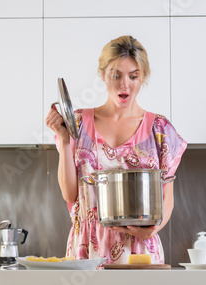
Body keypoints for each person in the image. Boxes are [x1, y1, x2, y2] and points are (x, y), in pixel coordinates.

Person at [45, 35, 187, 264]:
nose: (124, 85)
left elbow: (166, 199)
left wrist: (153, 229)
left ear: (143, 77)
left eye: (133, 76)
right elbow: (69, 195)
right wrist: (63, 140)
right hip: (87, 250)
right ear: (102, 75)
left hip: (139, 251)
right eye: (116, 75)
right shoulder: (78, 124)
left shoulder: (160, 130)